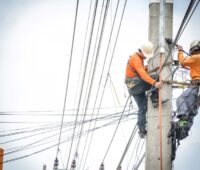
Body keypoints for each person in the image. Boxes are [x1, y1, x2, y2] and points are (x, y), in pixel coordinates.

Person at [125, 41, 163, 138]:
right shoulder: (136, 59)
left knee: (142, 108)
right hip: (135, 85)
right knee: (155, 77)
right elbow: (142, 74)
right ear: (141, 51)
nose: (146, 57)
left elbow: (139, 70)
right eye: (146, 55)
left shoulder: (136, 58)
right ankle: (155, 100)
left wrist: (149, 68)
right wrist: (155, 83)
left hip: (133, 88)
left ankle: (141, 130)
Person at [175, 40, 200, 139]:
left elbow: (183, 62)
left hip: (197, 86)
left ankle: (183, 121)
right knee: (192, 110)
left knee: (181, 100)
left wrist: (180, 51)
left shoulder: (196, 57)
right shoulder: (196, 60)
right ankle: (184, 131)